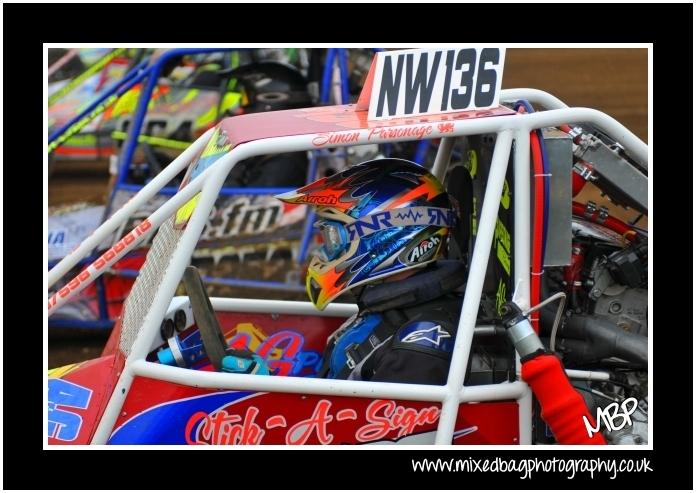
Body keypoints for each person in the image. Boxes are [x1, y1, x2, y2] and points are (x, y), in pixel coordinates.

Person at [275, 158, 467, 384]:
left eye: (333, 237)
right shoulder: (389, 306)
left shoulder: (416, 347)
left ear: (380, 235)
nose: (325, 249)